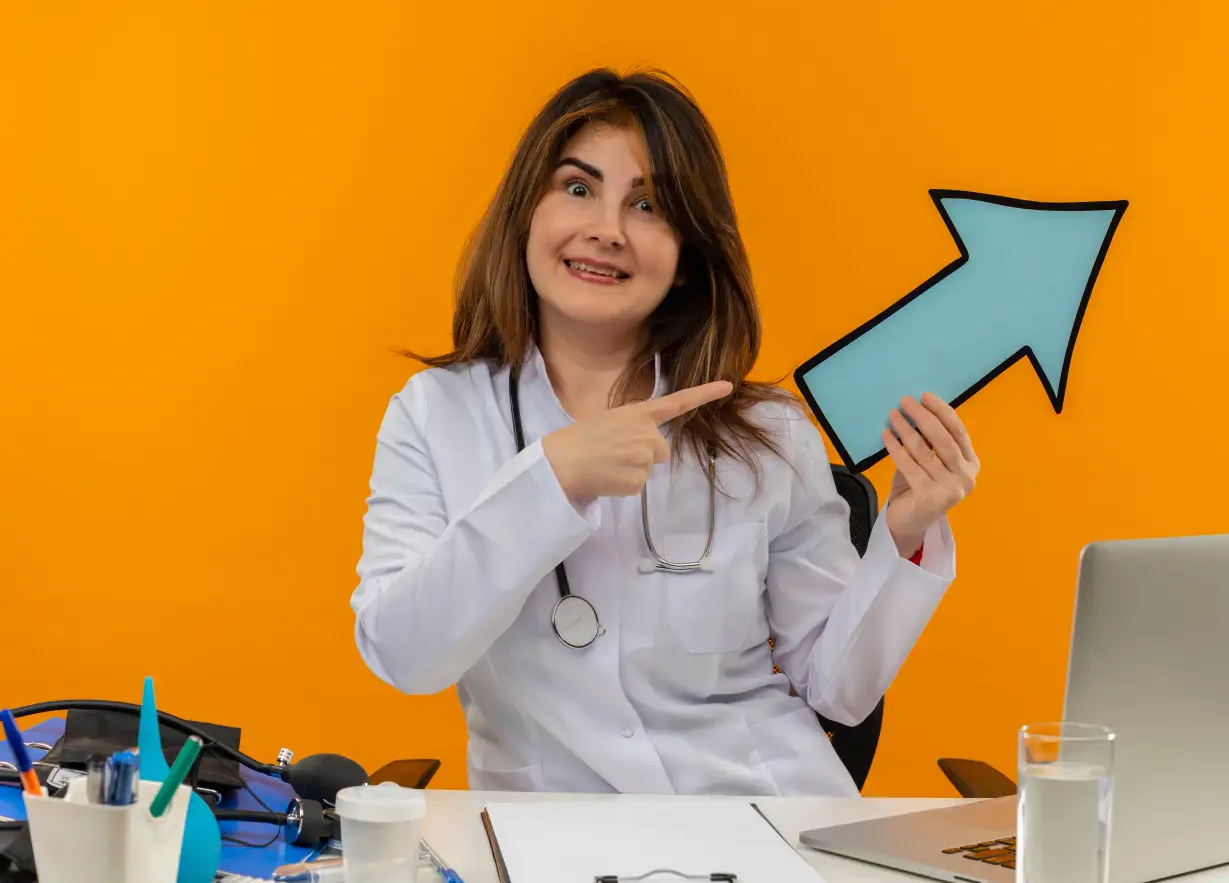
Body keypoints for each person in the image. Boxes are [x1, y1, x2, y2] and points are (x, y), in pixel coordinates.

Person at [350, 68, 981, 797]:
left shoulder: (767, 433)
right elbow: (405, 655)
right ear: (527, 212)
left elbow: (837, 690)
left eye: (647, 205)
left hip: (763, 818)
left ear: (686, 256)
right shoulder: (435, 415)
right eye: (578, 188)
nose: (606, 231)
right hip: (552, 836)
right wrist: (553, 479)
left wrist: (903, 533)